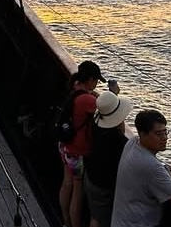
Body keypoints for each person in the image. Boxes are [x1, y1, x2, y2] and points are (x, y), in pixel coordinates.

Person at [111, 110, 171, 227]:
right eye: (158, 134)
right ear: (143, 134)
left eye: (165, 132)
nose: (164, 138)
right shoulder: (152, 167)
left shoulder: (132, 143)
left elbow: (153, 165)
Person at [60, 60, 105, 227]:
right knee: (77, 192)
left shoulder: (75, 88)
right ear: (91, 79)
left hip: (65, 145)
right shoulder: (87, 99)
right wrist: (112, 95)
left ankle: (65, 220)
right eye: (96, 81)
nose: (96, 84)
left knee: (67, 183)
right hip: (77, 150)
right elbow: (107, 110)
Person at [85, 90, 133, 227]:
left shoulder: (95, 125)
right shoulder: (119, 141)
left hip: (91, 176)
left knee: (95, 216)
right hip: (104, 187)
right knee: (102, 221)